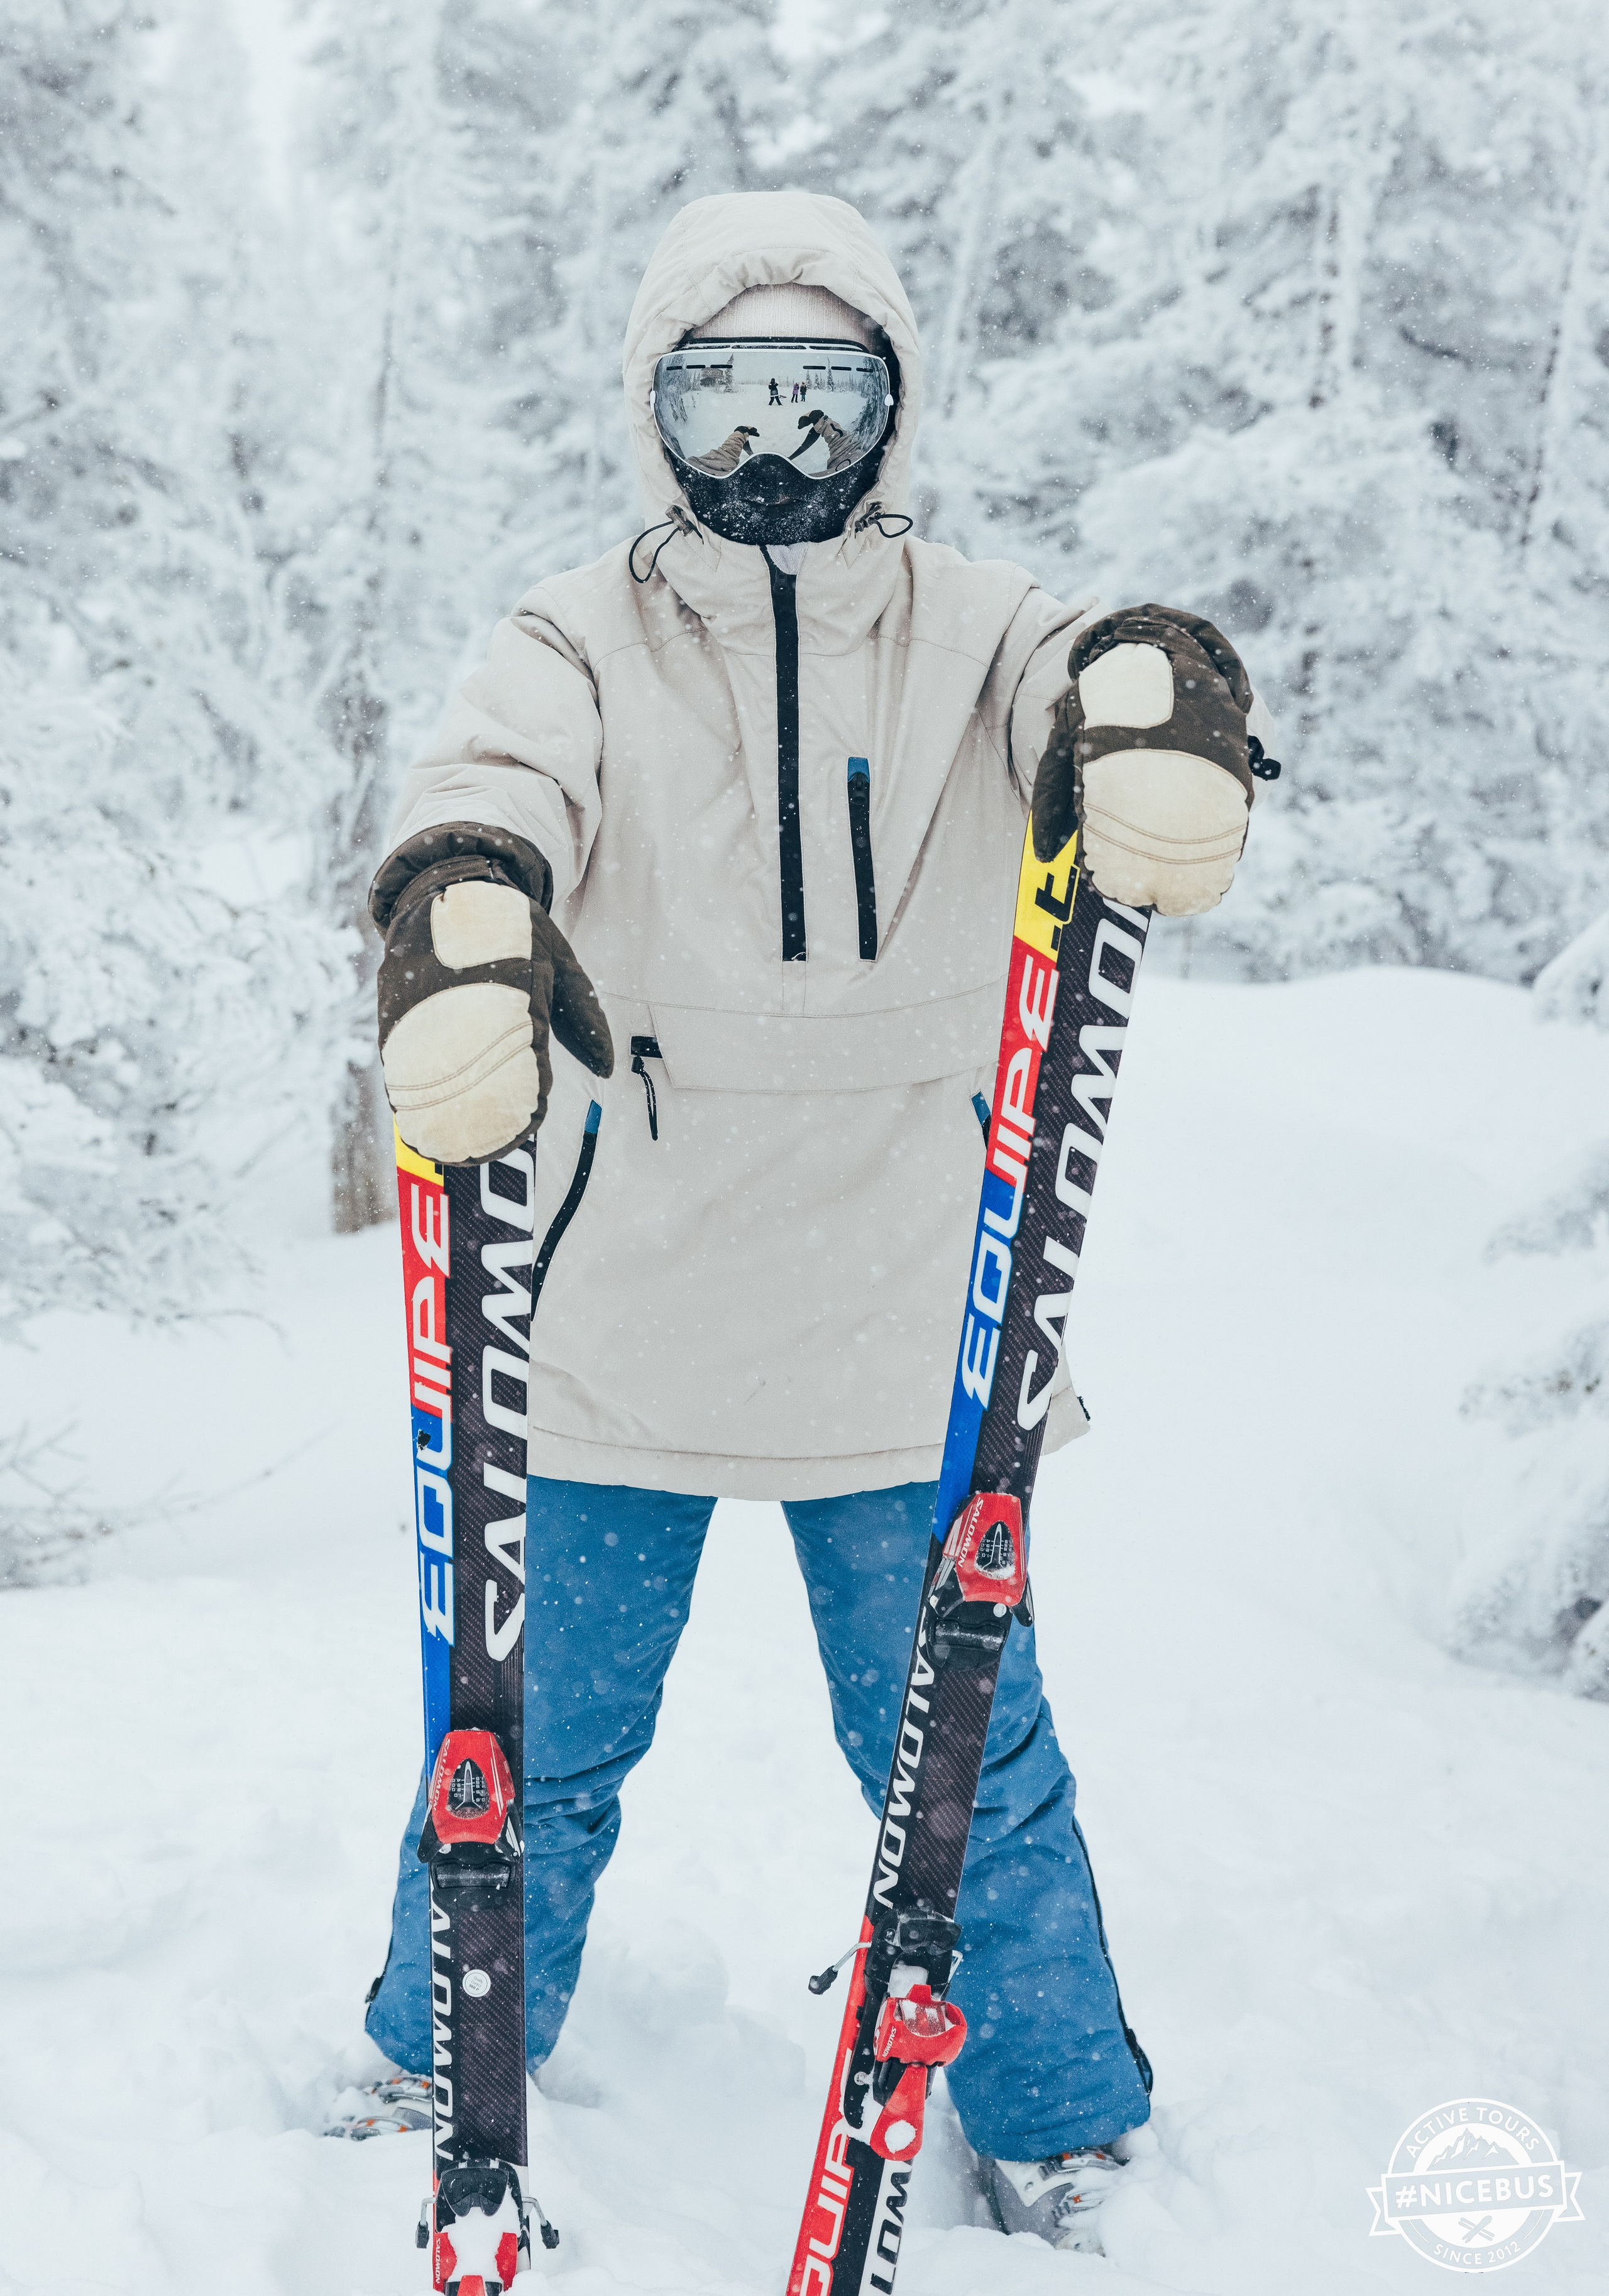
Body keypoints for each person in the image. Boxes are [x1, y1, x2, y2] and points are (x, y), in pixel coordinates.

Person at [352, 190, 1277, 2258]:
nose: (773, 450)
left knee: (963, 1749)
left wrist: (1160, 698)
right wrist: (468, 908)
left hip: (901, 1315)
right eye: (726, 398)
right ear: (656, 411)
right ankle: (439, 2054)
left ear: (892, 407)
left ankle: (1058, 2114)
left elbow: (1095, 668)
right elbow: (490, 775)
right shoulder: (579, 630)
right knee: (532, 1742)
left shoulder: (974, 618)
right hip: (618, 1310)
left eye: (819, 398)